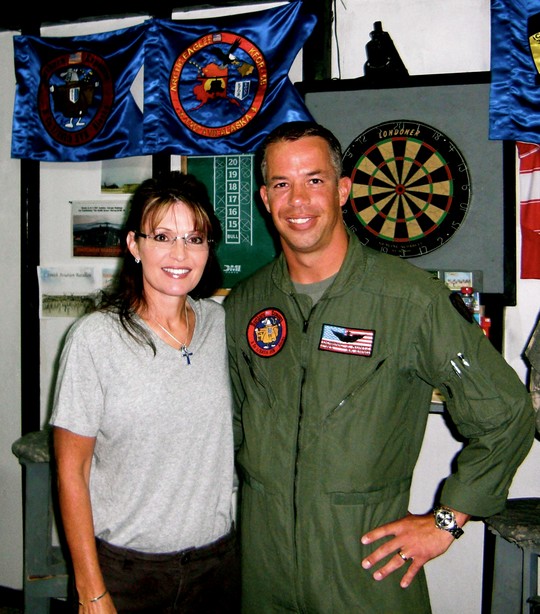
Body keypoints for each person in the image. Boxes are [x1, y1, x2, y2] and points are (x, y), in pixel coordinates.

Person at [224, 121, 535, 613]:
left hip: (365, 574)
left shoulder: (410, 301)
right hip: (263, 574)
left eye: (315, 180)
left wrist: (446, 521)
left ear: (343, 190)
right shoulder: (245, 304)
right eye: (282, 183)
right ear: (265, 198)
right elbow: (227, 431)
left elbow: (506, 414)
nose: (298, 200)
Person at [50, 171, 239, 613]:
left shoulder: (220, 325)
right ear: (134, 245)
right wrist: (91, 590)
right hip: (128, 573)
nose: (180, 254)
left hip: (216, 567)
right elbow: (71, 472)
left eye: (195, 239)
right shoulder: (95, 339)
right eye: (163, 237)